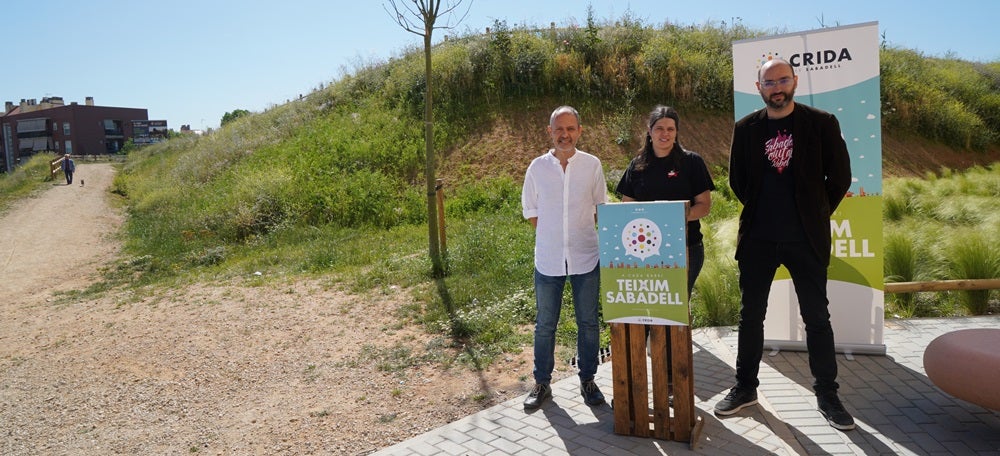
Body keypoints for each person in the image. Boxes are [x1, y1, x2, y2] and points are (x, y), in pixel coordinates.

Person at [716, 58, 855, 431]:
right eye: (769, 82)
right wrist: (765, 211)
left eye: (782, 80)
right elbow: (737, 180)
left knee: (817, 318)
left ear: (794, 81)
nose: (776, 87)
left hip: (805, 239)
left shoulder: (821, 123)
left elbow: (840, 177)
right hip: (759, 239)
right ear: (757, 86)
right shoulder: (745, 129)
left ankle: (827, 395)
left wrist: (814, 211)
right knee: (750, 317)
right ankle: (745, 388)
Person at [521, 105, 608, 410]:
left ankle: (588, 380)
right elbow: (531, 213)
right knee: (546, 324)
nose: (565, 134)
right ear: (550, 132)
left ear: (579, 131)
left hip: (586, 256)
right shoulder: (537, 168)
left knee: (588, 322)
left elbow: (600, 208)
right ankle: (542, 383)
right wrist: (556, 237)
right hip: (548, 259)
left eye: (571, 129)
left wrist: (577, 234)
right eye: (559, 129)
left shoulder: (592, 165)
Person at [615, 105, 715, 295]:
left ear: (676, 132)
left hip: (687, 249)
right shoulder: (636, 165)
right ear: (649, 130)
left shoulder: (692, 162)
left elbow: (704, 206)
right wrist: (653, 221)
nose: (665, 134)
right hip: (644, 251)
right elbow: (626, 205)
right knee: (651, 310)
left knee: (677, 314)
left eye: (670, 129)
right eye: (659, 128)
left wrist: (671, 219)